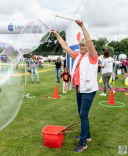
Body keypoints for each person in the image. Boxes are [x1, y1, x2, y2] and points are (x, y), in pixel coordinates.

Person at [52, 20, 98, 153]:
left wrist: (82, 26)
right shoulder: (78, 56)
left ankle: (83, 142)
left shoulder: (92, 57)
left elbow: (89, 42)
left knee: (83, 115)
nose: (82, 48)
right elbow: (65, 46)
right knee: (81, 114)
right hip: (79, 88)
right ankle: (87, 135)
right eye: (81, 46)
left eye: (84, 46)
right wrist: (57, 35)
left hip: (89, 90)